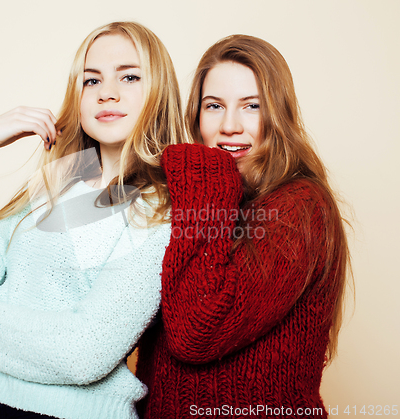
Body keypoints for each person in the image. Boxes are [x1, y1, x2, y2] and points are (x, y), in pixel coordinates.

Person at [0, 21, 184, 419]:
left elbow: (83, 352)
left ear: (158, 91)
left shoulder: (158, 207)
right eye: (91, 81)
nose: (107, 92)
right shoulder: (63, 180)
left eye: (130, 76)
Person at [135, 35, 350, 418]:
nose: (229, 126)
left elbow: (194, 334)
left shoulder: (302, 206)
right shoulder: (190, 200)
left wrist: (207, 181)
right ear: (196, 118)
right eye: (214, 106)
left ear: (278, 116)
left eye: (252, 106)